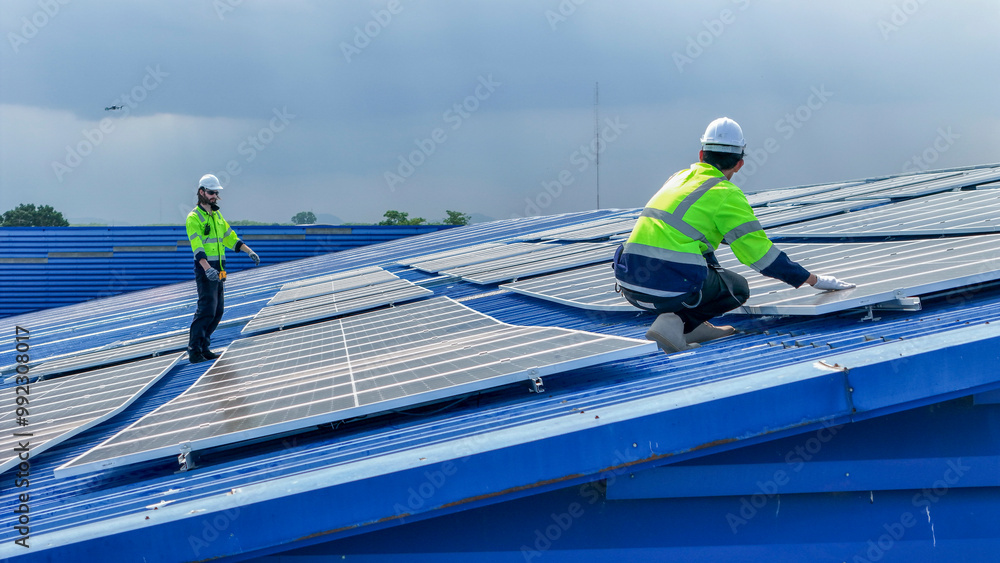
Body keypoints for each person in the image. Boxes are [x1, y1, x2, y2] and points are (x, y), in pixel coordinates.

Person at [613, 117, 855, 353]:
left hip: (629, 282)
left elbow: (690, 231)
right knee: (736, 288)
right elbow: (762, 257)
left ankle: (691, 328)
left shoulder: (677, 178)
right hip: (666, 287)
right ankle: (675, 325)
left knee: (706, 257)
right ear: (740, 163)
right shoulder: (726, 194)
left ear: (701, 155)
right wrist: (811, 279)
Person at [185, 173, 260, 363]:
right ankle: (194, 351)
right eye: (211, 192)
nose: (214, 196)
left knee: (218, 310)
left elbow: (230, 237)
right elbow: (198, 247)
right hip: (205, 269)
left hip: (219, 268)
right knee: (206, 309)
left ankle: (204, 346)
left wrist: (248, 251)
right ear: (201, 192)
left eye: (216, 193)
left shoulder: (217, 215)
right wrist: (206, 268)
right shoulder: (194, 218)